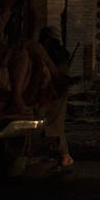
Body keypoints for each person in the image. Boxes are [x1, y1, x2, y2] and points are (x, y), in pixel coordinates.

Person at [39, 25, 74, 167]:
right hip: (54, 91)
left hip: (53, 91)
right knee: (55, 123)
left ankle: (63, 155)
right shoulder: (60, 53)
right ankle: (63, 155)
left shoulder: (52, 53)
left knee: (53, 122)